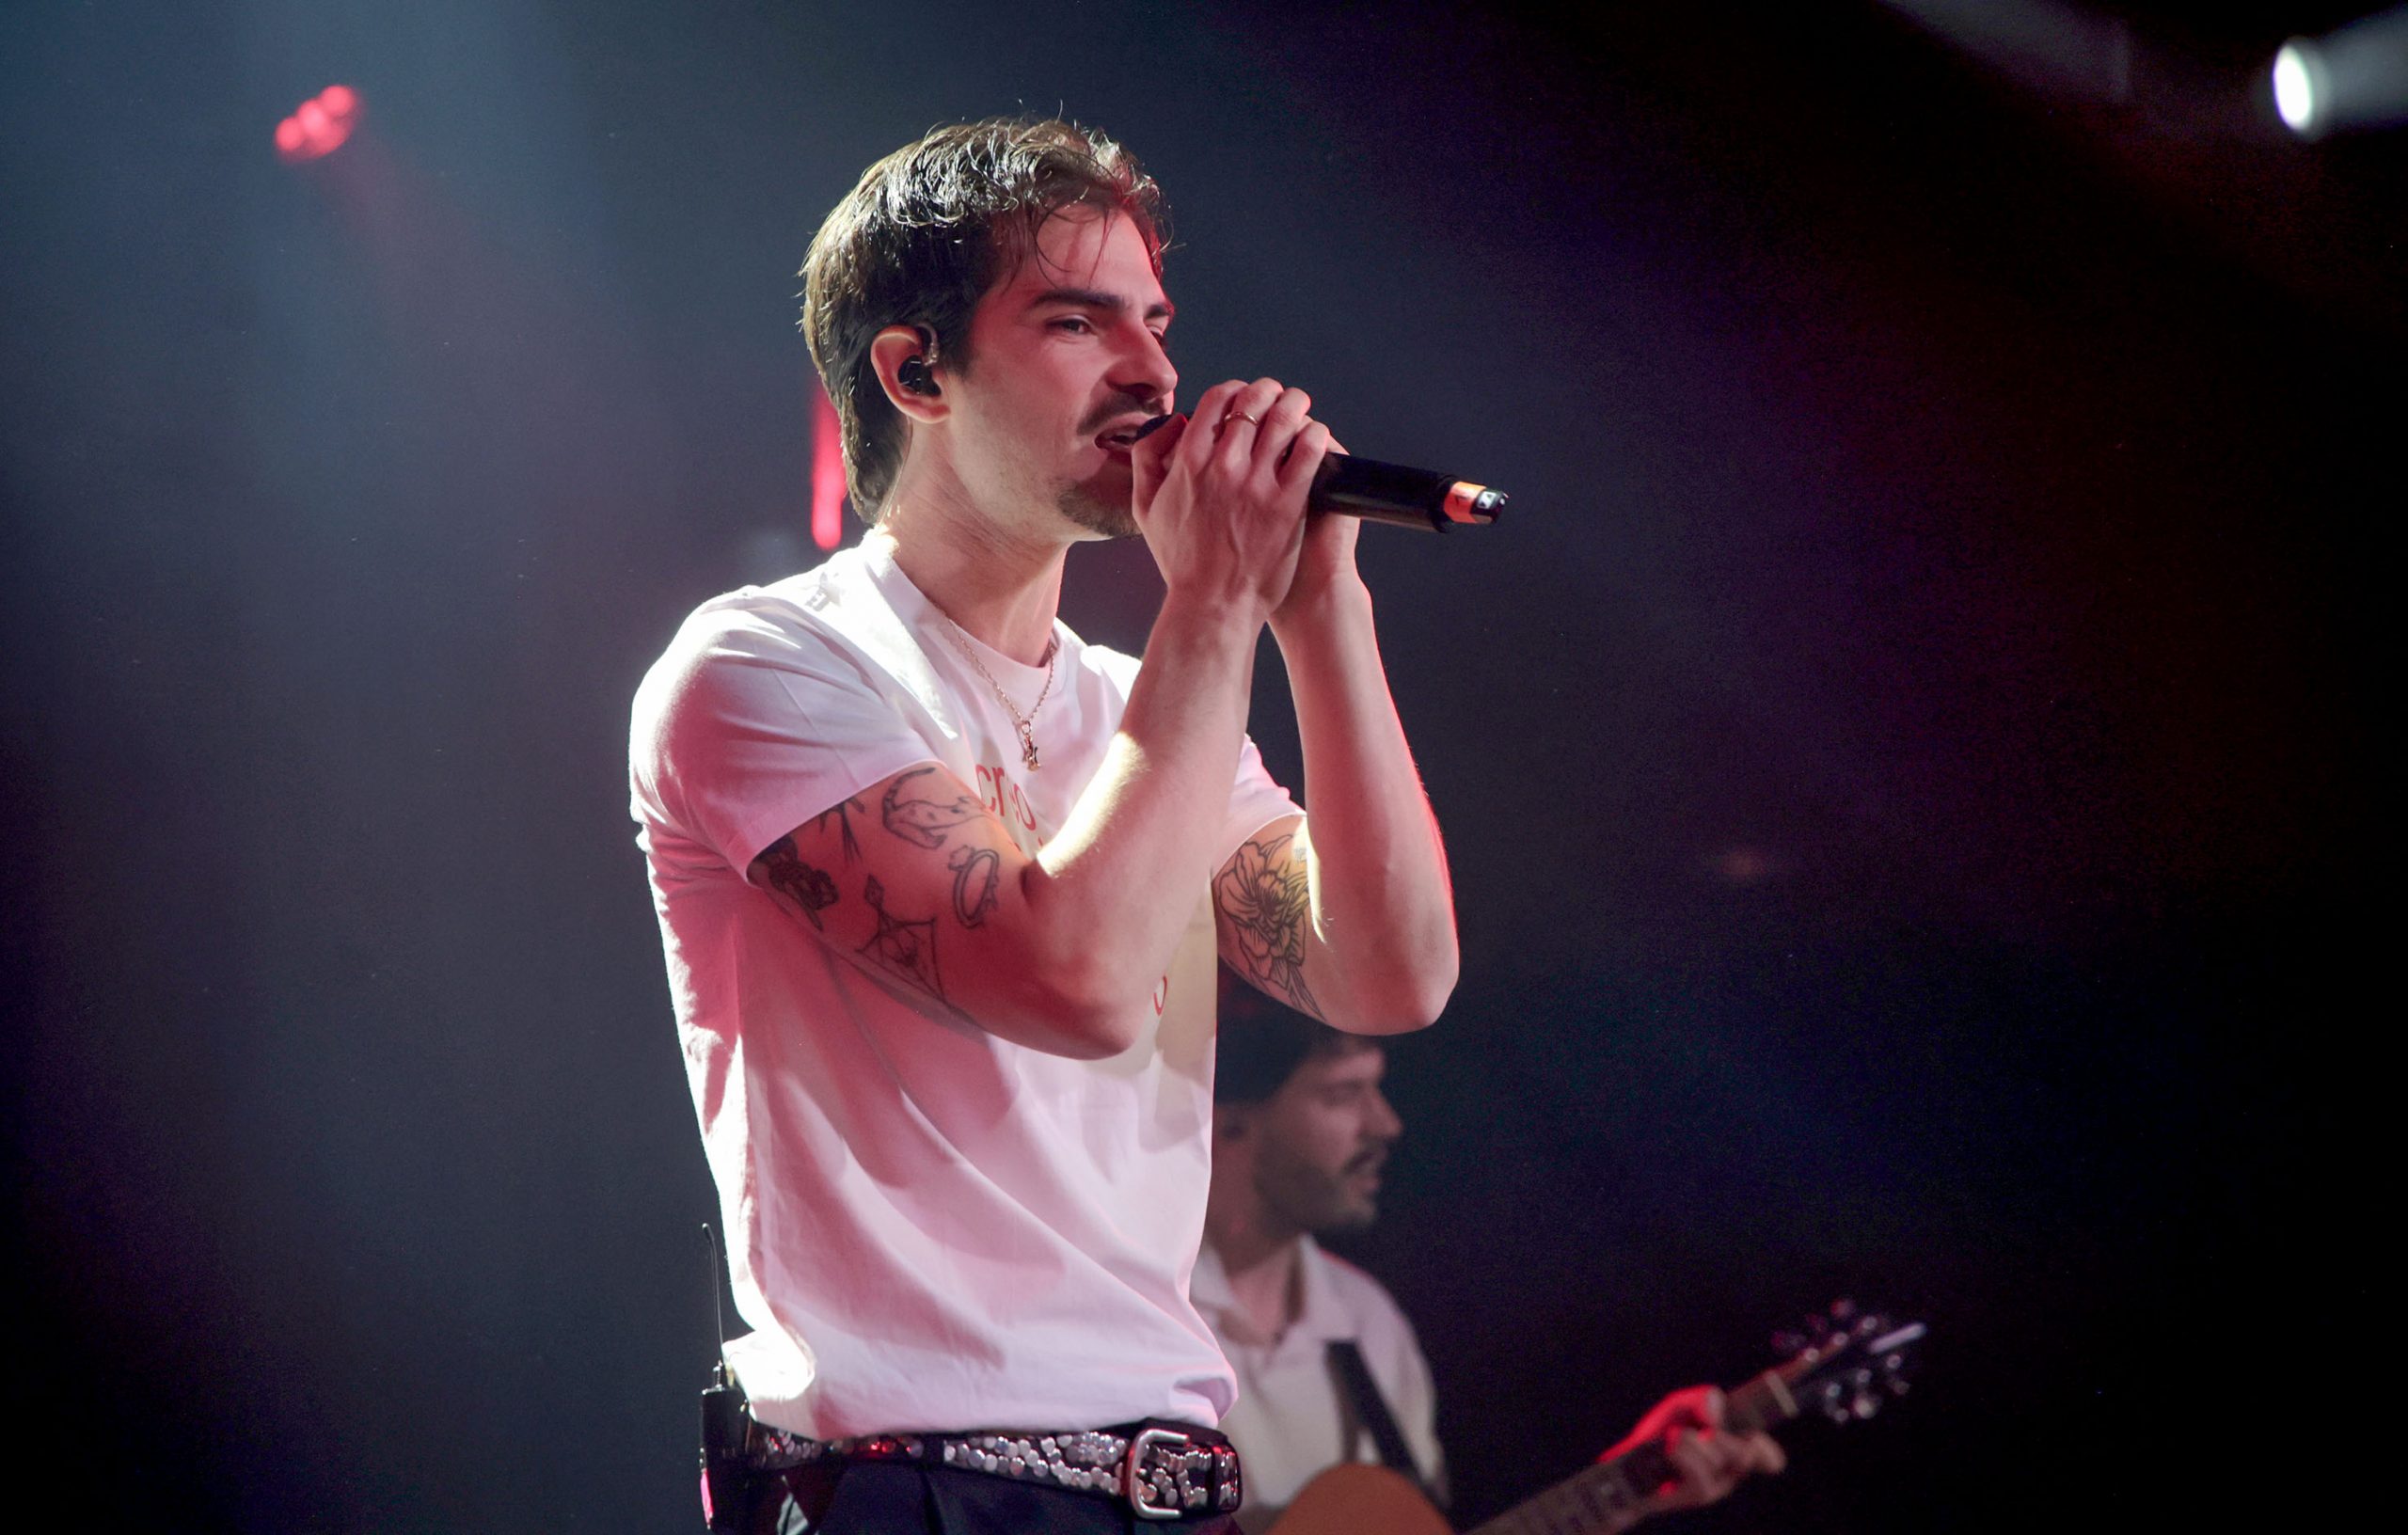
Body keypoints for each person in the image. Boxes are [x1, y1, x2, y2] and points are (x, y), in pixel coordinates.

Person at [628, 118, 1458, 1533]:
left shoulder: (1140, 707)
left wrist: (1322, 613)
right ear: (917, 372)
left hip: (1166, 1485)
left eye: (1157, 323)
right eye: (1078, 321)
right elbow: (1072, 980)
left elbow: (1390, 977)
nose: (1153, 373)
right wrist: (1214, 605)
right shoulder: (768, 666)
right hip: (914, 1489)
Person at [1198, 980, 1784, 1533]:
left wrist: (1635, 1483)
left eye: (1375, 1088)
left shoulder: (1367, 1322)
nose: (1386, 1123)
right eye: (1343, 1094)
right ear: (1229, 1118)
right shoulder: (1155, 1313)